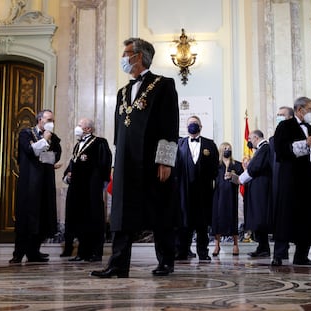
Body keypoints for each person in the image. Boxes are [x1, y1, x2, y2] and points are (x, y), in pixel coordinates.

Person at [90, 38, 179, 278]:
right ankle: (118, 265)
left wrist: (166, 160)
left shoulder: (163, 85)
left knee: (159, 210)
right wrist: (115, 166)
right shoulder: (123, 92)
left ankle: (166, 261)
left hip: (152, 161)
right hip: (125, 162)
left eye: (126, 53)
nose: (123, 57)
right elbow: (119, 131)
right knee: (121, 213)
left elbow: (170, 125)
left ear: (138, 56)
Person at [271, 96, 311, 266]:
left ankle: (301, 255)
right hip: (291, 180)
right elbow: (281, 151)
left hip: (310, 181)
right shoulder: (284, 126)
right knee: (286, 216)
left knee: (308, 217)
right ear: (300, 109)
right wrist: (304, 144)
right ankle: (279, 255)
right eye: (310, 109)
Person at [9, 109, 62, 264]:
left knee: (42, 218)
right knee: (25, 218)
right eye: (48, 119)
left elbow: (54, 156)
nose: (51, 123)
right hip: (29, 183)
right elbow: (28, 150)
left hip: (44, 183)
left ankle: (34, 252)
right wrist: (44, 142)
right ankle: (18, 254)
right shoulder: (26, 134)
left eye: (52, 120)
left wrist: (42, 154)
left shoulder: (55, 138)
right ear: (40, 120)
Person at [63, 118, 112, 262]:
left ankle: (96, 253)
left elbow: (105, 163)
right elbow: (74, 164)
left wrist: (99, 183)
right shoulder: (77, 146)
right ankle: (82, 252)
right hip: (79, 190)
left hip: (92, 189)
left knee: (94, 219)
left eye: (79, 125)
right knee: (81, 220)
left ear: (88, 129)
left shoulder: (99, 143)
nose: (77, 128)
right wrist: (69, 175)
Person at [175, 115, 219, 261]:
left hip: (203, 191)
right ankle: (182, 251)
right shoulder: (179, 144)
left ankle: (203, 252)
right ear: (186, 127)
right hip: (183, 190)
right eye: (190, 124)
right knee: (184, 223)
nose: (193, 126)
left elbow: (215, 168)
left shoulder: (210, 144)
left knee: (202, 224)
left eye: (195, 123)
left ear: (200, 127)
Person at [238, 130, 272, 258]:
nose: (249, 141)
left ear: (256, 137)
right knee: (258, 218)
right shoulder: (261, 149)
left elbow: (255, 168)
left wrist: (240, 179)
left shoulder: (264, 148)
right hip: (258, 189)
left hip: (261, 190)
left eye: (250, 138)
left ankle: (263, 248)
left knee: (260, 218)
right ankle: (262, 247)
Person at [270, 106, 294, 261]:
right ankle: (280, 253)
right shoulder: (273, 140)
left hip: (294, 184)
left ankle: (301, 254)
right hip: (278, 186)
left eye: (282, 115)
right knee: (281, 221)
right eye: (277, 115)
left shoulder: (297, 137)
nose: (278, 117)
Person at [211, 142, 243, 257]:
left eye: (229, 148)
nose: (227, 150)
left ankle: (235, 245)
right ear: (220, 150)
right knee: (217, 219)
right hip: (218, 195)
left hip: (231, 195)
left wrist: (233, 177)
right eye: (225, 148)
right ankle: (216, 245)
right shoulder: (216, 165)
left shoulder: (237, 165)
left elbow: (242, 179)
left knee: (232, 218)